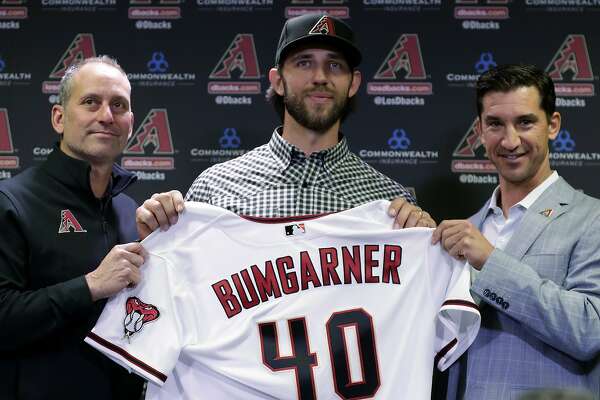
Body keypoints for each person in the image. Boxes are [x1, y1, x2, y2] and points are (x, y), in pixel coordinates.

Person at [136, 13, 435, 237]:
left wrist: (425, 241)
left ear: (353, 83)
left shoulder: (392, 204)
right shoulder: (213, 188)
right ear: (278, 81)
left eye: (335, 65)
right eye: (304, 62)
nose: (320, 77)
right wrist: (160, 233)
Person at [431, 64, 600, 399]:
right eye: (495, 124)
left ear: (552, 125)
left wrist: (490, 262)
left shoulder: (592, 218)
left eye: (525, 122)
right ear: (479, 130)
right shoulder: (464, 232)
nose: (510, 141)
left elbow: (588, 330)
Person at [0, 56, 145, 399]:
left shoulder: (129, 211)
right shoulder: (12, 201)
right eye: (91, 102)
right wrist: (90, 286)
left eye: (118, 105)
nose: (106, 116)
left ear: (131, 123)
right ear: (59, 117)